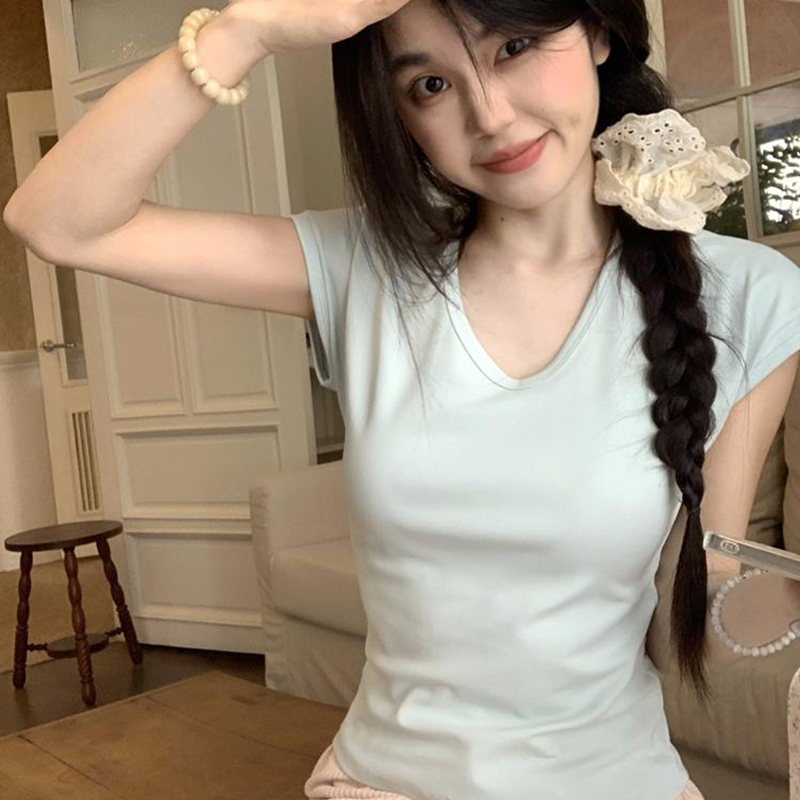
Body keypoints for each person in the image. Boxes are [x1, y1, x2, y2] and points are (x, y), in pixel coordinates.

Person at [3, 1, 800, 799]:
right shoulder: (365, 268)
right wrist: (246, 30)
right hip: (386, 784)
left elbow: (694, 604)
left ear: (595, 32)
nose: (490, 115)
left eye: (517, 46)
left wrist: (764, 603)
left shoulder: (752, 296)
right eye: (430, 85)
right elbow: (59, 223)